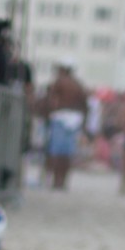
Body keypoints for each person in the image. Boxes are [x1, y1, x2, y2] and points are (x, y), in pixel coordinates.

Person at [41, 60, 87, 192]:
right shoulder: (78, 84)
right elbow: (84, 104)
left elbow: (51, 100)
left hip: (60, 117)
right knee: (67, 153)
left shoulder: (59, 82)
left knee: (56, 151)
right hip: (74, 120)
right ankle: (63, 181)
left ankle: (55, 180)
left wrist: (46, 114)